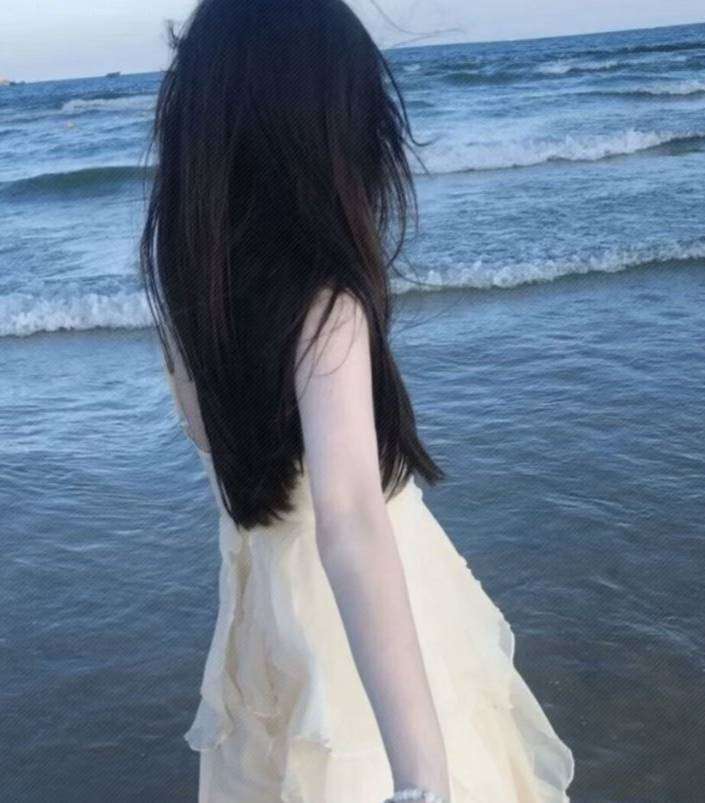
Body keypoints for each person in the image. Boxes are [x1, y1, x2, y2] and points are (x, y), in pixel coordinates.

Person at [139, 1, 575, 800]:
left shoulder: (194, 301)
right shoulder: (324, 308)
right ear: (325, 135)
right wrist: (420, 780)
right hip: (358, 645)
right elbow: (349, 523)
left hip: (264, 624)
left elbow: (223, 455)